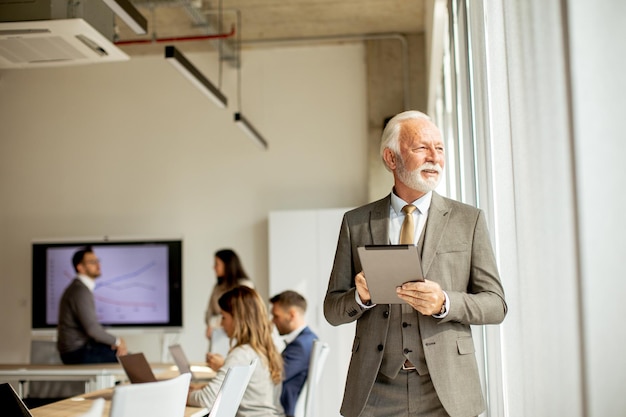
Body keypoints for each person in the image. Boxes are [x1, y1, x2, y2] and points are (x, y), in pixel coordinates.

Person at [323, 110, 507, 417]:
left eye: (440, 148)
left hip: (445, 389)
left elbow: (496, 305)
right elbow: (332, 310)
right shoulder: (355, 223)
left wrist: (445, 302)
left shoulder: (468, 220)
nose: (434, 158)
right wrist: (360, 297)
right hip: (375, 389)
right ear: (391, 158)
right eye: (422, 148)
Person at [188, 286, 284, 416]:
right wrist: (202, 389)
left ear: (238, 319)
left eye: (223, 317)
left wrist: (183, 395)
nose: (221, 325)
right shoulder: (267, 350)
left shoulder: (241, 354)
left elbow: (206, 400)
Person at [57, 246, 127, 364]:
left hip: (81, 349)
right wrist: (118, 341)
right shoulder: (80, 291)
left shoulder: (79, 288)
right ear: (80, 267)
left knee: (126, 357)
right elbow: (92, 329)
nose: (98, 265)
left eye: (97, 261)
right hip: (76, 353)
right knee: (129, 359)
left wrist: (112, 342)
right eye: (92, 262)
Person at [269, 290, 318, 417]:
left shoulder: (300, 345)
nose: (273, 322)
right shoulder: (309, 339)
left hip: (282, 410)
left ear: (291, 315)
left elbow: (273, 376)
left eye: (276, 316)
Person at [205, 249, 254, 356]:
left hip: (237, 338)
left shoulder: (244, 286)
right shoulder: (218, 287)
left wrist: (214, 323)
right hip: (217, 339)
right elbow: (209, 312)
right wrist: (211, 324)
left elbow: (241, 315)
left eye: (217, 264)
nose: (214, 267)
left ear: (227, 265)